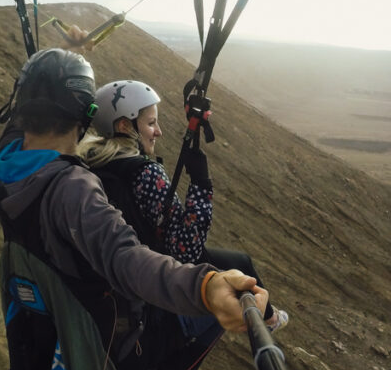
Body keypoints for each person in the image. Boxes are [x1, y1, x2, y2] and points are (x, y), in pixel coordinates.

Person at [0, 47, 269, 370]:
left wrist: (63, 65)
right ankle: (168, 369)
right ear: (87, 115)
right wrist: (206, 286)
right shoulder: (72, 189)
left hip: (40, 341)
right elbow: (127, 260)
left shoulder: (0, 167)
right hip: (104, 348)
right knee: (236, 265)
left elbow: (18, 122)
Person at [80, 80, 289, 337]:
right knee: (232, 283)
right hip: (154, 279)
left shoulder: (92, 161)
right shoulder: (144, 173)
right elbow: (187, 250)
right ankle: (266, 320)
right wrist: (201, 184)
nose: (158, 132)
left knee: (238, 262)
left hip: (126, 271)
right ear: (124, 126)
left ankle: (268, 316)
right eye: (150, 123)